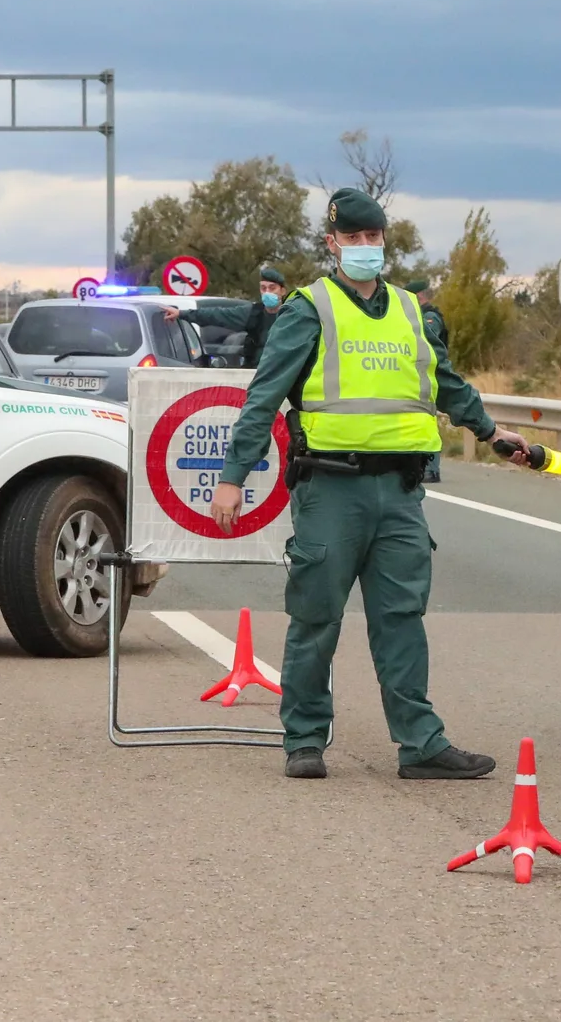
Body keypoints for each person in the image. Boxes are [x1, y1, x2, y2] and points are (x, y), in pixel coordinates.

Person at [210, 188, 540, 780]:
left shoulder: (412, 311)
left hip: (402, 492)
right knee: (316, 617)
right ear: (332, 243)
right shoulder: (308, 308)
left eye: (374, 237)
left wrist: (492, 434)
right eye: (353, 238)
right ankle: (304, 740)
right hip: (332, 490)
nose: (365, 247)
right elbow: (263, 397)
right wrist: (235, 476)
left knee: (402, 619)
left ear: (384, 240)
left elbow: (446, 384)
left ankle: (420, 742)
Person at [162, 266, 289, 367]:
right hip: (255, 375)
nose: (267, 292)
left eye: (272, 288)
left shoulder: (292, 315)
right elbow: (217, 315)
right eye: (263, 288)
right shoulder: (253, 313)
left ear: (282, 291)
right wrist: (181, 313)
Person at [412, 280, 448, 484]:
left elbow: (427, 341)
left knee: (428, 422)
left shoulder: (430, 317)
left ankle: (432, 469)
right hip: (421, 375)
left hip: (430, 375)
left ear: (419, 296)